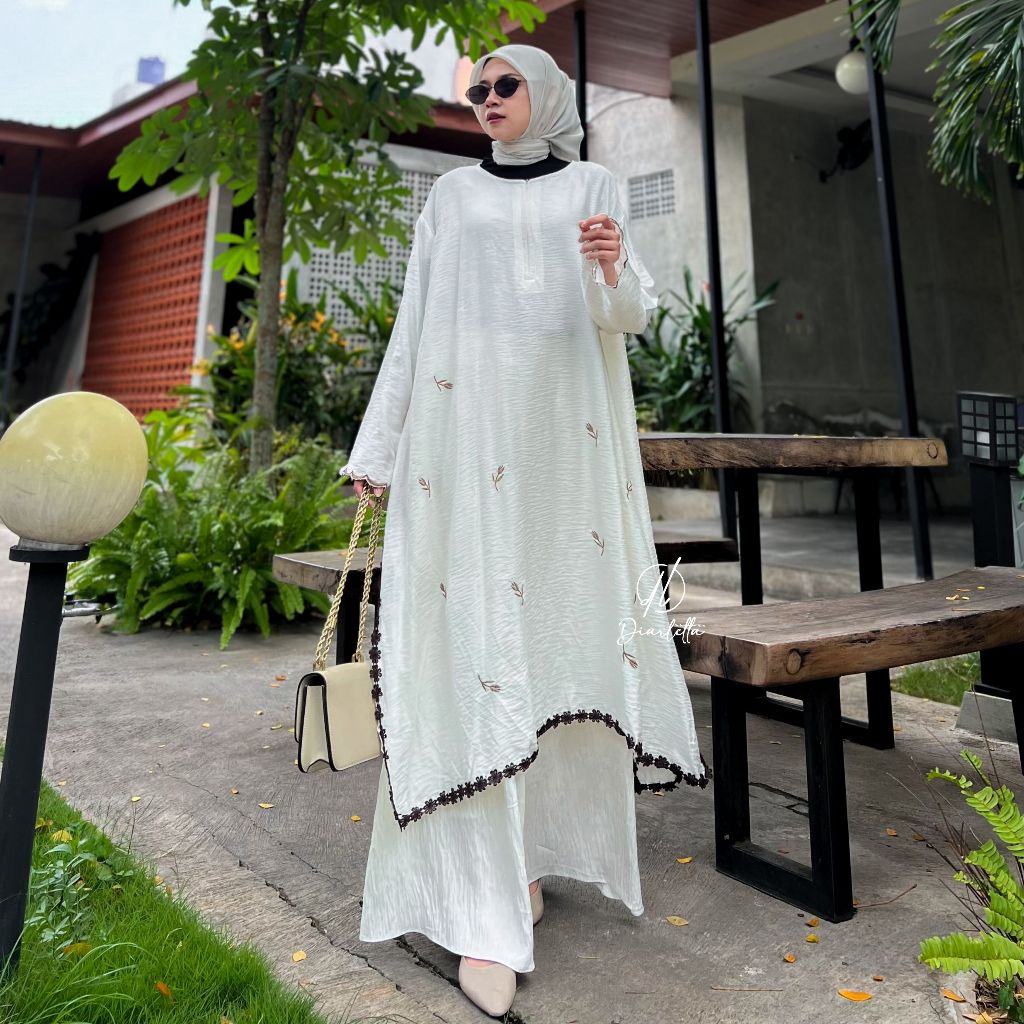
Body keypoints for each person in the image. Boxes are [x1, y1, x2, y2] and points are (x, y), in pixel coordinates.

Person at [340, 42, 709, 1018]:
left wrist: (613, 265)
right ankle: (482, 905)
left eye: (505, 86)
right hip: (461, 458)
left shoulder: (593, 185)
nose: (487, 100)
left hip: (559, 466)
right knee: (473, 660)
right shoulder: (452, 198)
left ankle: (525, 860)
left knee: (547, 653)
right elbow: (415, 322)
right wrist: (378, 449)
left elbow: (627, 315)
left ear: (543, 95)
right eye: (477, 90)